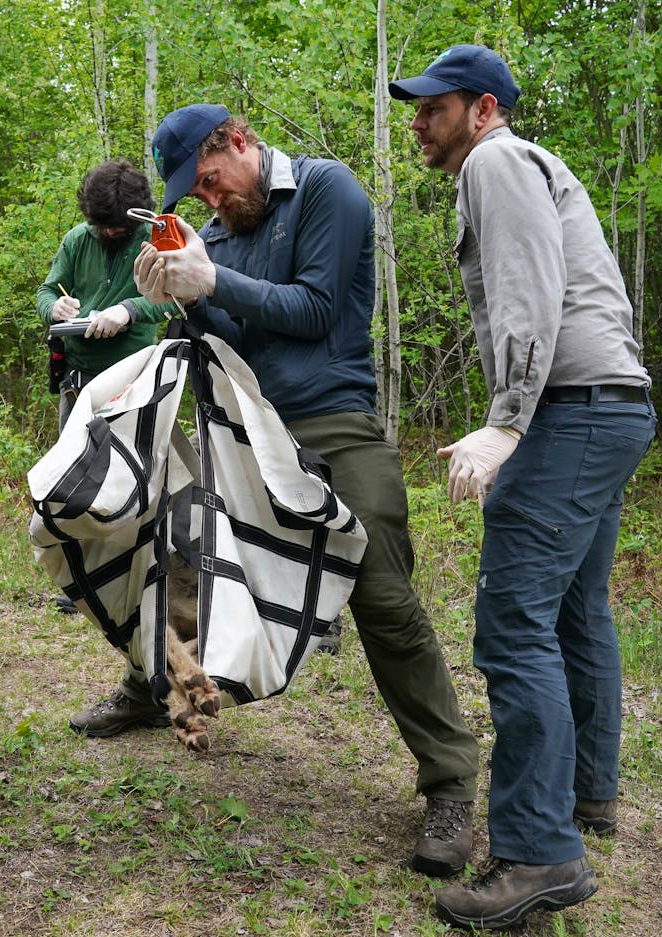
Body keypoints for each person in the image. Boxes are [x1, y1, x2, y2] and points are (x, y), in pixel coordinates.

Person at [127, 104, 480, 880]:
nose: (211, 202)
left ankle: (452, 785)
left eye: (212, 181)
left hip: (333, 421)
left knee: (383, 595)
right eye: (198, 194)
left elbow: (317, 312)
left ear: (241, 143)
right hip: (249, 429)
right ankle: (153, 684)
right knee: (174, 547)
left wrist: (214, 278)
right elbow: (235, 340)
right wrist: (180, 296)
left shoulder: (326, 190)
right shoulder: (216, 232)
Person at [389, 45, 656, 929]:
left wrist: (508, 420)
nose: (420, 123)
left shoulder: (497, 161)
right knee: (578, 611)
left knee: (513, 625)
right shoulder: (528, 162)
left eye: (434, 108)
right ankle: (589, 793)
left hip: (569, 411)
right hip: (610, 406)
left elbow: (528, 293)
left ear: (484, 109)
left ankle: (538, 853)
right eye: (417, 108)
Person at [35, 160, 176, 615]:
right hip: (78, 384)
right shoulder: (77, 240)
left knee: (137, 481)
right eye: (104, 227)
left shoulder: (155, 239)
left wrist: (129, 310)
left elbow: (174, 299)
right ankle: (79, 581)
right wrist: (55, 307)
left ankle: (143, 576)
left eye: (118, 227)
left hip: (134, 380)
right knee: (74, 482)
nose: (111, 234)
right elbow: (43, 292)